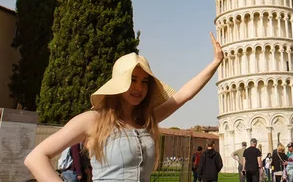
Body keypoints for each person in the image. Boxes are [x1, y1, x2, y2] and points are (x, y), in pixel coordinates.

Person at [24, 33, 224, 182]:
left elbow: (183, 96)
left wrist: (215, 63)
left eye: (145, 81)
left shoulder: (146, 119)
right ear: (118, 84)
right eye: (133, 80)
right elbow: (36, 158)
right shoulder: (92, 120)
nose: (139, 88)